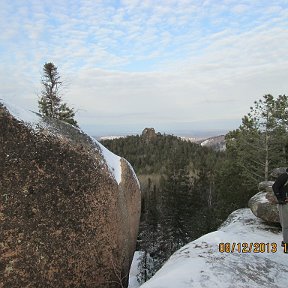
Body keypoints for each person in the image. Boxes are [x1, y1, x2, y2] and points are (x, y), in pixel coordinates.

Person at [272, 168, 288, 252]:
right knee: (286, 225)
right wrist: (280, 199)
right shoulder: (285, 176)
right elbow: (275, 187)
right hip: (285, 204)